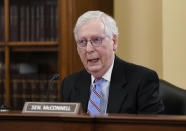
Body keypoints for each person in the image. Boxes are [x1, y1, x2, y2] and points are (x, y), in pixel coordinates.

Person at [60, 10, 164, 115]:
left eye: (96, 40)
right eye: (82, 42)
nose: (88, 49)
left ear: (114, 42)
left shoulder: (142, 80)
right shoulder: (69, 84)